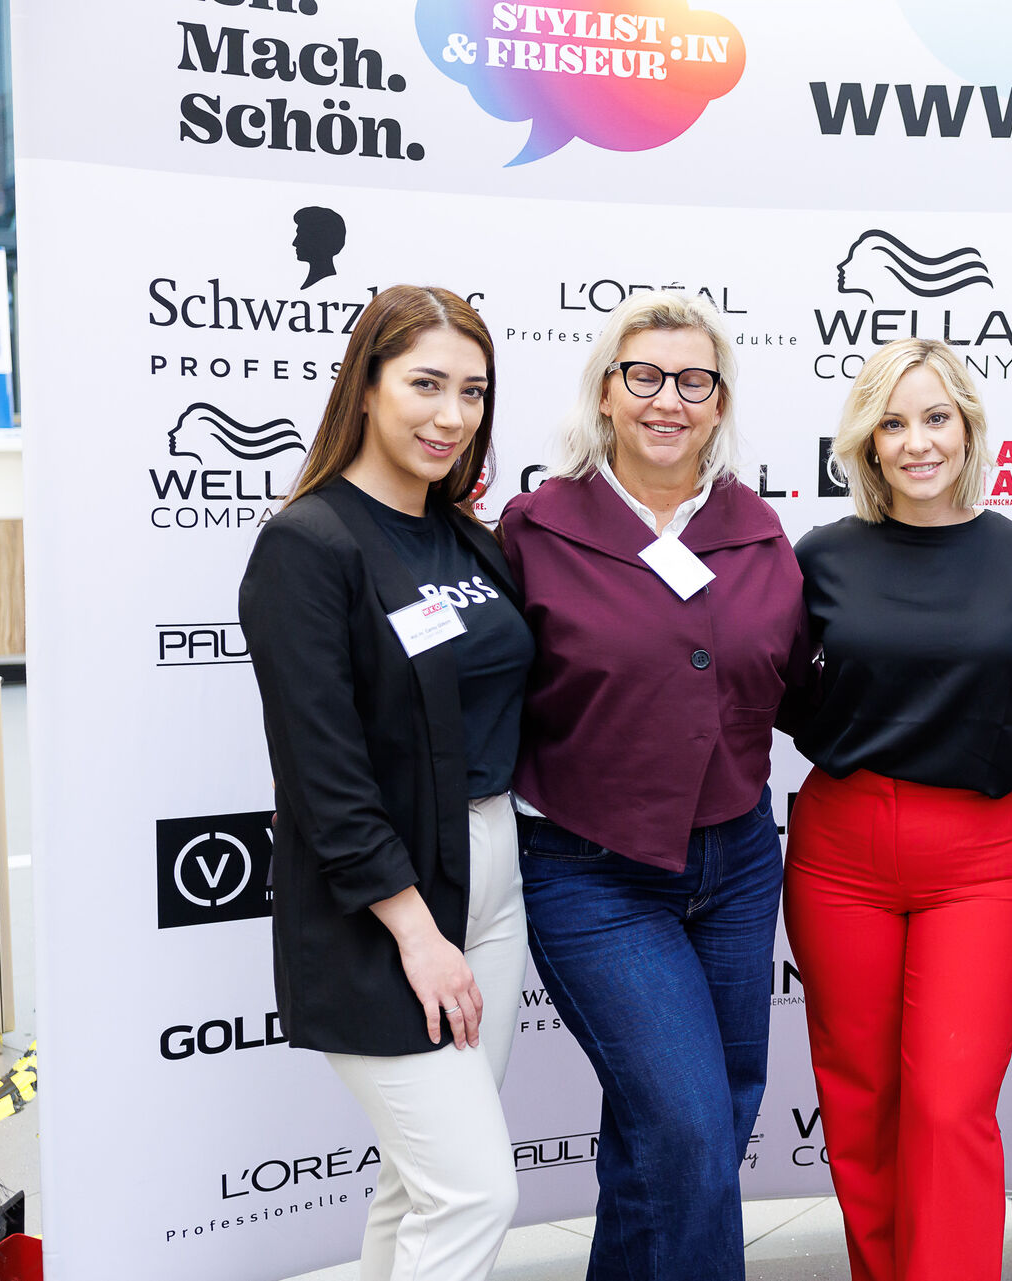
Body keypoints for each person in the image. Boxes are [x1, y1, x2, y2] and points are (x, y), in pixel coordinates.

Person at [499, 291, 806, 1280]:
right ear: (605, 392)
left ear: (719, 404)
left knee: (694, 1123)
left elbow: (791, 675)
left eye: (693, 380)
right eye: (644, 376)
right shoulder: (536, 528)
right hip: (592, 868)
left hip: (738, 858)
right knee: (685, 1125)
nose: (668, 399)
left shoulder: (758, 530)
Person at [239, 285, 532, 1280]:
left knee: (419, 1183)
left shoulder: (468, 537)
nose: (451, 416)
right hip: (380, 901)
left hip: (491, 871)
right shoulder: (308, 544)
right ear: (365, 386)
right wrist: (415, 931)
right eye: (425, 385)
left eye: (473, 392)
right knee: (473, 1192)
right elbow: (321, 772)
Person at [785, 338, 1012, 1281]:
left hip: (976, 856)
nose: (917, 442)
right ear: (866, 442)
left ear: (968, 427)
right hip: (839, 848)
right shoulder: (820, 557)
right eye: (893, 423)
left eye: (935, 418)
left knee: (950, 1104)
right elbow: (778, 690)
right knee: (860, 1097)